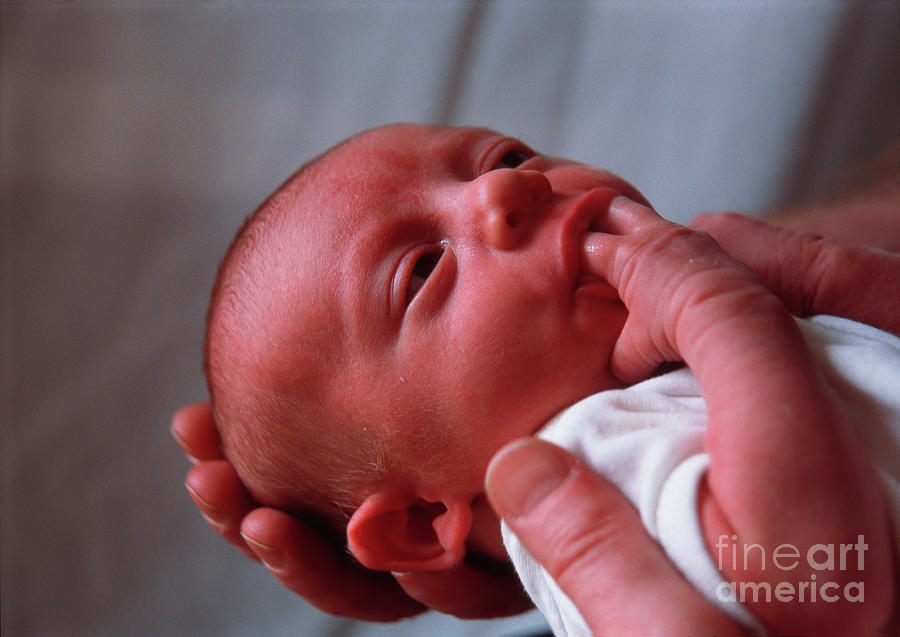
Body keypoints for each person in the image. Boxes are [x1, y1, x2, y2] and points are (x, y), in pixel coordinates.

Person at [176, 124, 899, 635]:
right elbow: (827, 581)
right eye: (423, 269)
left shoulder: (675, 379)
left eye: (505, 154)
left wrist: (822, 283)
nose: (505, 187)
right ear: (424, 519)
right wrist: (720, 310)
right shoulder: (595, 456)